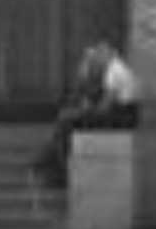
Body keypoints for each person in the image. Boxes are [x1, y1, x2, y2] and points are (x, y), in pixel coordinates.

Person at [32, 39, 141, 190]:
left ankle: (56, 166)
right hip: (120, 114)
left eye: (98, 54)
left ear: (109, 53)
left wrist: (84, 112)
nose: (96, 58)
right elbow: (89, 95)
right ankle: (51, 160)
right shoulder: (115, 69)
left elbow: (105, 107)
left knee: (66, 120)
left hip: (121, 117)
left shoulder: (115, 70)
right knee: (67, 119)